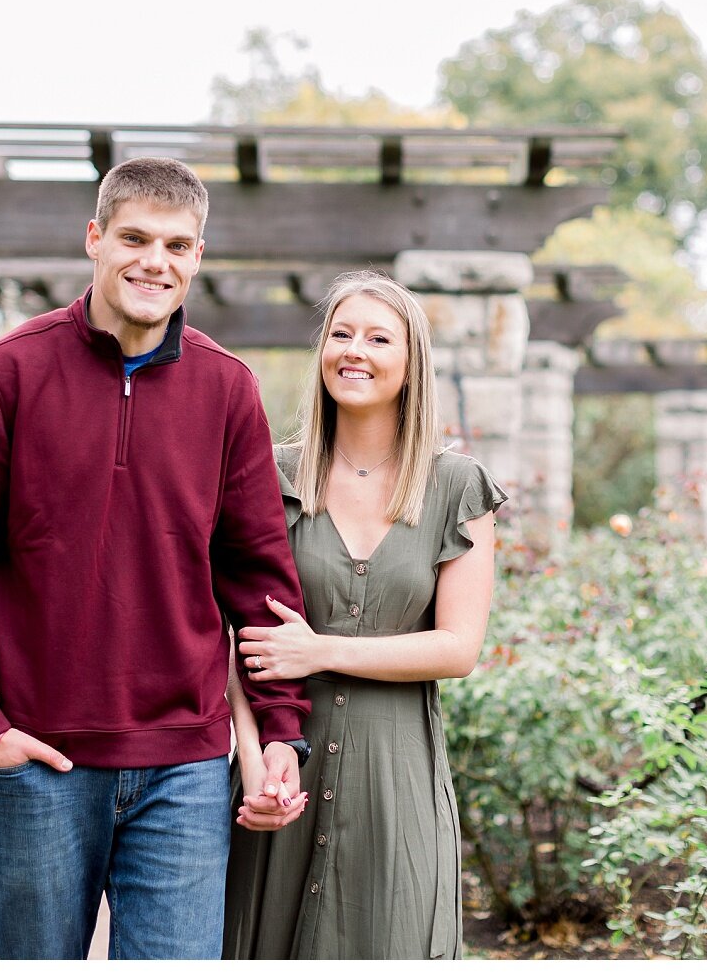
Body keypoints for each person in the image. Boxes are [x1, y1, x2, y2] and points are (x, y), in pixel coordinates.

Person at [0, 156, 312, 960]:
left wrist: (279, 728)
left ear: (198, 257)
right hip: (38, 760)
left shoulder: (228, 389)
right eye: (134, 237)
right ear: (95, 239)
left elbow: (258, 578)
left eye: (176, 245)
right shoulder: (5, 374)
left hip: (186, 769)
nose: (153, 261)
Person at [222, 271, 506, 959]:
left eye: (379, 337)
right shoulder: (270, 474)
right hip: (282, 772)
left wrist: (319, 651)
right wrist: (258, 767)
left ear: (411, 366)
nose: (356, 350)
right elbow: (233, 635)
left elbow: (458, 647)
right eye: (341, 334)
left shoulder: (456, 484)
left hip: (396, 779)